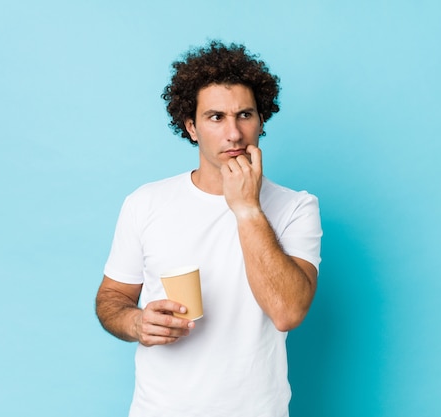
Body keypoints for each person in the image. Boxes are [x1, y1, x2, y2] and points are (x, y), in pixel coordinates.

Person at [95, 40, 322, 417]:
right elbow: (111, 298)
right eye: (216, 117)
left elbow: (287, 313)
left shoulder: (296, 206)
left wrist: (247, 207)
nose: (234, 133)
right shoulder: (145, 203)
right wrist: (136, 322)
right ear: (192, 127)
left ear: (261, 122)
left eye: (245, 115)